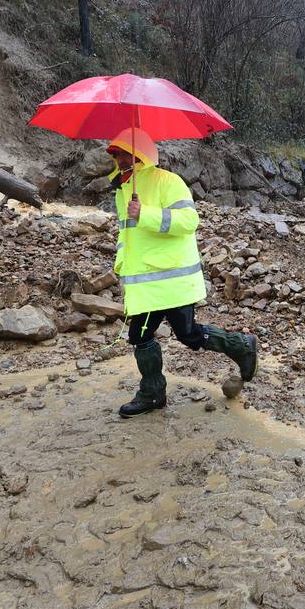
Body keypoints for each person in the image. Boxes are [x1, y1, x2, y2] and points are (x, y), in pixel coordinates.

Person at [106, 128, 258, 417]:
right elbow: (129, 235)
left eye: (122, 153)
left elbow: (190, 221)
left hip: (171, 279)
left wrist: (146, 214)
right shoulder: (124, 189)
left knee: (183, 335)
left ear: (139, 155)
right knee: (150, 335)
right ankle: (153, 393)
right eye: (115, 154)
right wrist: (121, 264)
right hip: (149, 283)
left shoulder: (168, 182)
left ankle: (242, 346)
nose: (118, 159)